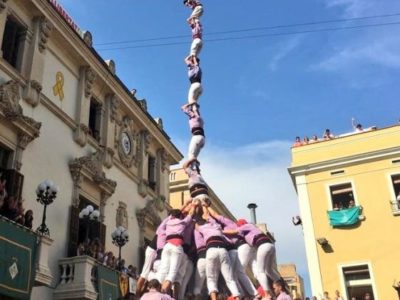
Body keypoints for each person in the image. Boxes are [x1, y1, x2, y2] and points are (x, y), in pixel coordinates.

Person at [224, 219, 282, 298]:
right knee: (268, 270)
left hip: (262, 246)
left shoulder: (246, 226)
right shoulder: (252, 229)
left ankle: (267, 294)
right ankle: (282, 286)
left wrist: (220, 231)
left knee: (260, 271)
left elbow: (235, 231)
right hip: (268, 246)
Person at [195, 210, 241, 300]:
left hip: (211, 250)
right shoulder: (217, 226)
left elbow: (196, 226)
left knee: (211, 278)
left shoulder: (203, 228)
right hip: (223, 250)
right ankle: (238, 298)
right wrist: (208, 216)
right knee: (229, 278)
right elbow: (213, 220)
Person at [157, 201, 196, 295]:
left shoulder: (168, 222)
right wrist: (194, 205)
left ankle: (156, 292)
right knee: (172, 273)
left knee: (163, 270)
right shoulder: (182, 222)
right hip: (176, 247)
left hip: (166, 247)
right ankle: (162, 294)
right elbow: (191, 214)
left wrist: (185, 205)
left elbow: (161, 227)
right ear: (180, 216)